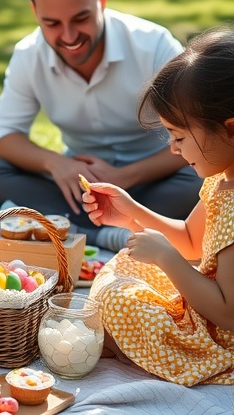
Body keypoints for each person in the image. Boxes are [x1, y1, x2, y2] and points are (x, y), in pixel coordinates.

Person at [0, 0, 200, 249]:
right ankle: (111, 234)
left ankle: (50, 222)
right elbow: (4, 136)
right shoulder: (28, 55)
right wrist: (56, 164)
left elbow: (197, 135)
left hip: (155, 178)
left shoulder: (153, 45)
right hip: (79, 188)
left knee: (201, 182)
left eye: (81, 18)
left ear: (102, 0)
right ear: (34, 12)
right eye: (51, 23)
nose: (68, 37)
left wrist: (126, 177)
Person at [83, 27, 234, 385]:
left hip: (221, 337)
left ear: (230, 129)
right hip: (208, 307)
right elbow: (191, 241)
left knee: (122, 301)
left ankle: (127, 345)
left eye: (180, 136)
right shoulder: (222, 179)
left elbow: (229, 313)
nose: (173, 148)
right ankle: (123, 340)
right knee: (126, 266)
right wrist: (131, 213)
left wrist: (166, 258)